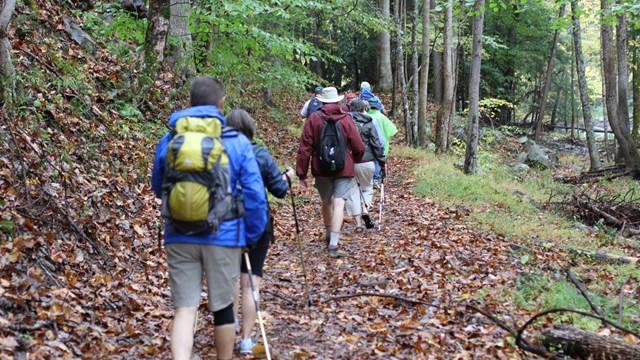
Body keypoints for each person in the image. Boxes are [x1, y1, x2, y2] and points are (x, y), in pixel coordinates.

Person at [151, 76, 267, 360]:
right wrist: (250, 237)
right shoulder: (237, 142)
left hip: (180, 234)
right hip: (225, 237)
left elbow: (158, 186)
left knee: (184, 308)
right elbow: (255, 196)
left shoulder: (170, 139)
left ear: (189, 103)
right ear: (221, 104)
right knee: (223, 308)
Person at [225, 109, 294, 355]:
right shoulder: (259, 154)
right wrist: (289, 178)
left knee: (231, 277)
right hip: (257, 222)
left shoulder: (219, 152)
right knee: (251, 283)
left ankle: (229, 328)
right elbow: (279, 190)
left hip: (226, 222)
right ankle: (246, 340)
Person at [296, 87, 365, 257]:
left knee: (326, 202)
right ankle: (333, 244)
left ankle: (328, 234)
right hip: (344, 167)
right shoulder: (346, 119)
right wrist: (354, 159)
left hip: (321, 168)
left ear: (322, 101)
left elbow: (305, 148)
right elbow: (358, 146)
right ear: (338, 100)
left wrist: (302, 174)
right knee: (340, 203)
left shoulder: (313, 119)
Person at [345, 99, 385, 231]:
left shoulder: (346, 122)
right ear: (364, 109)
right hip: (367, 162)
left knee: (352, 191)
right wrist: (381, 161)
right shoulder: (370, 122)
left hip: (351, 162)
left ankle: (357, 224)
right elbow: (376, 143)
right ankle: (365, 210)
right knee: (367, 188)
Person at [368, 97, 398, 188]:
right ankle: (375, 179)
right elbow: (393, 130)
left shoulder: (365, 116)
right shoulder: (382, 117)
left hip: (367, 145)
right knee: (378, 160)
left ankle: (368, 179)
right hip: (381, 143)